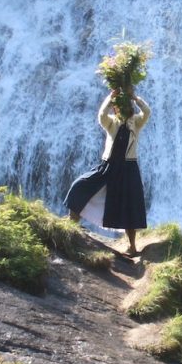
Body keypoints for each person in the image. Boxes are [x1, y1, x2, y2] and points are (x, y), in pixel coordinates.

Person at [65, 92, 150, 257]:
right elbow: (102, 114)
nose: (124, 109)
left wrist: (135, 98)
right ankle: (71, 226)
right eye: (120, 107)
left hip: (128, 168)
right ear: (116, 109)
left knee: (129, 206)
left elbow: (147, 112)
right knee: (79, 187)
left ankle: (132, 247)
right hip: (108, 166)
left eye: (127, 106)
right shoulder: (111, 122)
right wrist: (111, 98)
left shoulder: (136, 123)